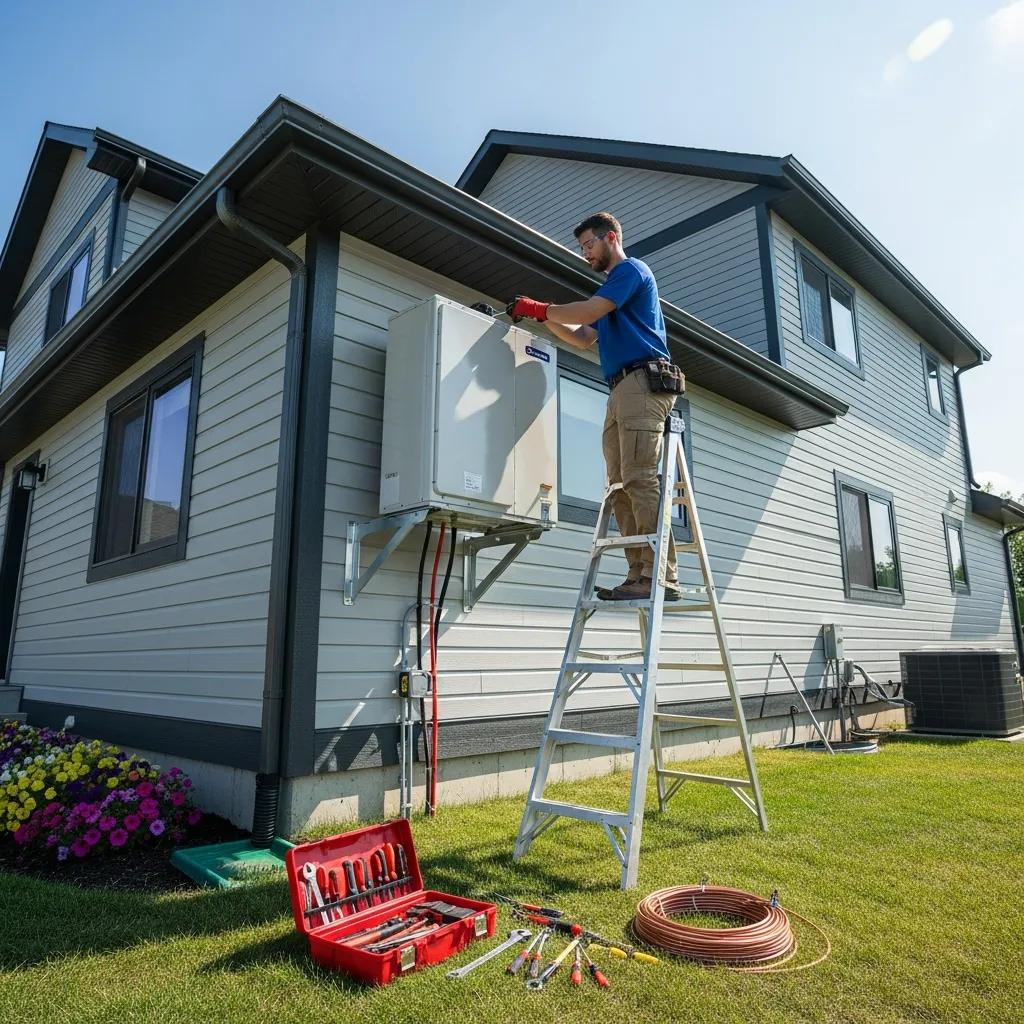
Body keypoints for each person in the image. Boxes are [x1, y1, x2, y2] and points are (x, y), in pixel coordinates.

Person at [507, 212, 683, 601]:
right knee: (619, 485)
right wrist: (538, 318)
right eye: (582, 247)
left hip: (643, 380)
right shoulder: (613, 292)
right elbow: (584, 336)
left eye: (589, 244)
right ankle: (639, 572)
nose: (585, 253)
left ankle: (661, 575)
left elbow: (587, 312)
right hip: (621, 386)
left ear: (612, 238)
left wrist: (540, 308)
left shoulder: (631, 271)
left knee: (639, 477)